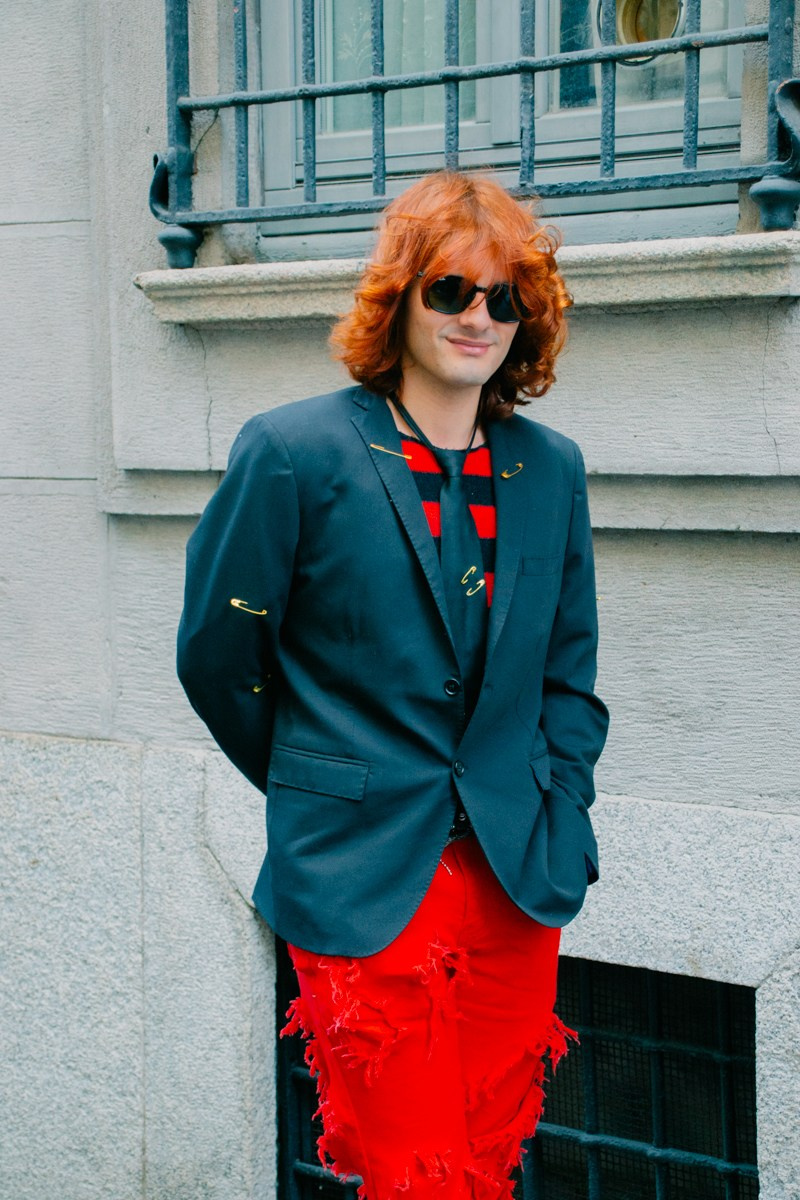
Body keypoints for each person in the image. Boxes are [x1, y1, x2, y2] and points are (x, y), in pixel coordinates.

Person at [177, 170, 609, 1200]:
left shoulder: (549, 469)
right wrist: (316, 776)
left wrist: (565, 814)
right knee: (409, 1174)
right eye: (451, 290)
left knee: (484, 1158)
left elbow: (568, 672)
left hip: (515, 874)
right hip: (363, 876)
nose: (478, 318)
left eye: (505, 299)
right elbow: (216, 657)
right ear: (399, 297)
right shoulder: (293, 452)